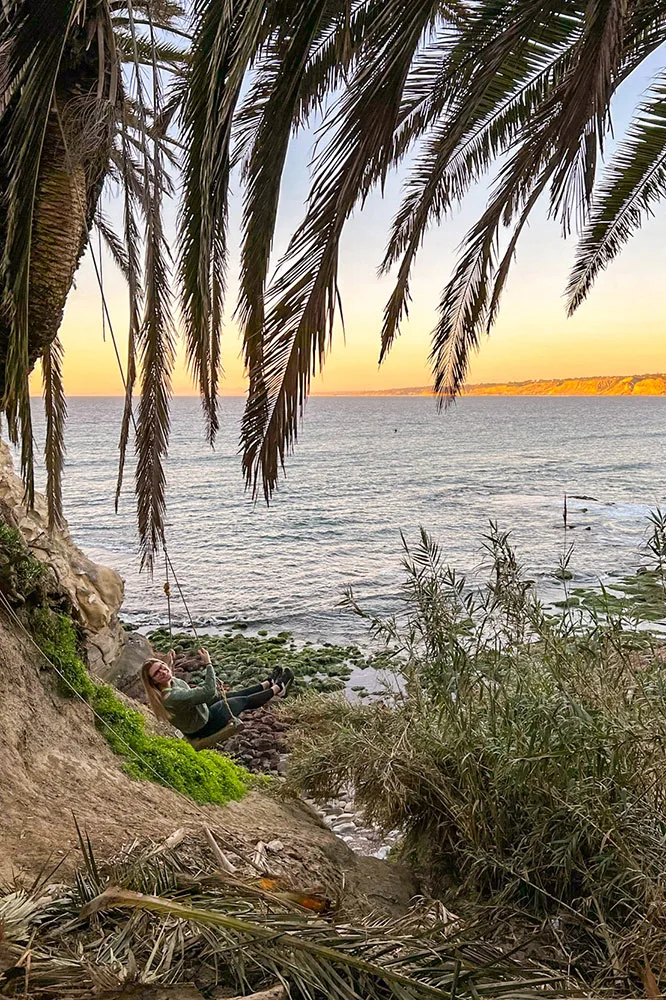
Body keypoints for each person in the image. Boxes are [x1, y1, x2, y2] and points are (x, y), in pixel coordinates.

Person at [142, 648, 293, 743]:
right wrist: (208, 663)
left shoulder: (168, 683)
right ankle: (279, 688)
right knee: (242, 700)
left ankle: (267, 683)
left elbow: (168, 673)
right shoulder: (172, 697)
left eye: (162, 667)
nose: (163, 672)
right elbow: (208, 691)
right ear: (153, 681)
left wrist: (168, 662)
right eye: (157, 673)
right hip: (205, 725)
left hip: (201, 711)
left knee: (235, 694)